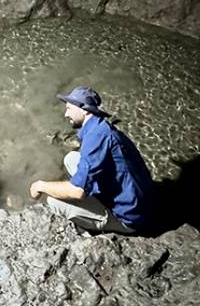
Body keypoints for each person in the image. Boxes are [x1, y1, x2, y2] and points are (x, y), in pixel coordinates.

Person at [30, 86, 156, 234]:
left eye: (69, 108)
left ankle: (101, 225)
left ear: (84, 110)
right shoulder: (100, 128)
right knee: (71, 158)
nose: (65, 114)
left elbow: (77, 191)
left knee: (54, 201)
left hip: (131, 218)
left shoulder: (96, 138)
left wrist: (40, 186)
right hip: (141, 201)